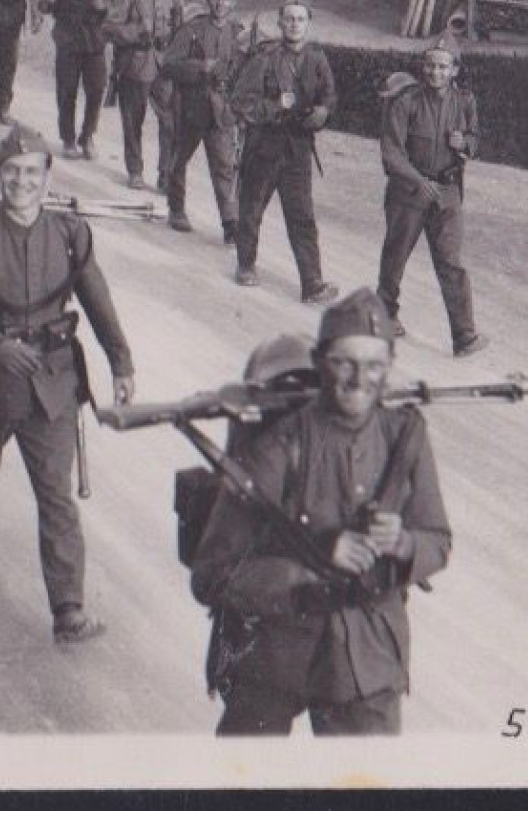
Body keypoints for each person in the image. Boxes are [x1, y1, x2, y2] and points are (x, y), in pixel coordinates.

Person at [190, 288, 452, 735]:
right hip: (274, 652)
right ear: (319, 362)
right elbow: (213, 573)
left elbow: (437, 541)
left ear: (389, 366)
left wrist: (404, 544)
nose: (358, 379)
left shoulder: (404, 437)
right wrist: (312, 563)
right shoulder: (279, 447)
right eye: (343, 362)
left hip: (367, 656)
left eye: (374, 365)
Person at [0, 125, 137, 643]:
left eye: (31, 173)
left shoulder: (70, 235)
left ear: (47, 178)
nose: (22, 182)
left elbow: (97, 299)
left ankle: (68, 607)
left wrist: (121, 360)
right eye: (12, 173)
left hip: (52, 381)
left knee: (57, 495)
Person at [375, 44, 487, 356]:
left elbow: (476, 140)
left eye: (442, 67)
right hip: (408, 193)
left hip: (447, 194)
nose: (435, 72)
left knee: (451, 262)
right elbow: (391, 151)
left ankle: (464, 336)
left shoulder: (465, 102)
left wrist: (464, 142)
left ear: (454, 70)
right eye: (430, 66)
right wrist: (416, 180)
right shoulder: (405, 102)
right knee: (395, 256)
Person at [229, 0, 339, 305]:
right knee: (251, 209)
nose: (294, 24)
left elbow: (329, 97)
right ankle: (246, 265)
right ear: (279, 22)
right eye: (289, 19)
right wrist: (276, 106)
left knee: (302, 215)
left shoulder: (317, 60)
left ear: (309, 23)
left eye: (300, 19)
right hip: (264, 144)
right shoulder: (264, 59)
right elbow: (240, 102)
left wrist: (323, 112)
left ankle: (312, 283)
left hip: (298, 149)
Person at [161, 0, 243, 243]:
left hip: (222, 112)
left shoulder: (238, 33)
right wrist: (199, 68)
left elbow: (248, 71)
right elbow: (169, 64)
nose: (220, 3)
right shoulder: (191, 30)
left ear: (232, 3)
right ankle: (176, 208)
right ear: (208, 1)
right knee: (179, 160)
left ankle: (230, 224)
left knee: (224, 167)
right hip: (191, 107)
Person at [104, 0, 184, 192]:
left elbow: (182, 31)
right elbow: (108, 27)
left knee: (170, 122)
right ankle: (135, 170)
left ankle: (165, 174)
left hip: (164, 67)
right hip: (136, 65)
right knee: (133, 122)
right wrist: (137, 32)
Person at [38, 0, 116, 160]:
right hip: (68, 39)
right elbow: (44, 7)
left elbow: (113, 5)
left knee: (96, 90)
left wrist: (104, 6)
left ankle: (88, 136)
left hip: (94, 41)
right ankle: (69, 138)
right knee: (67, 91)